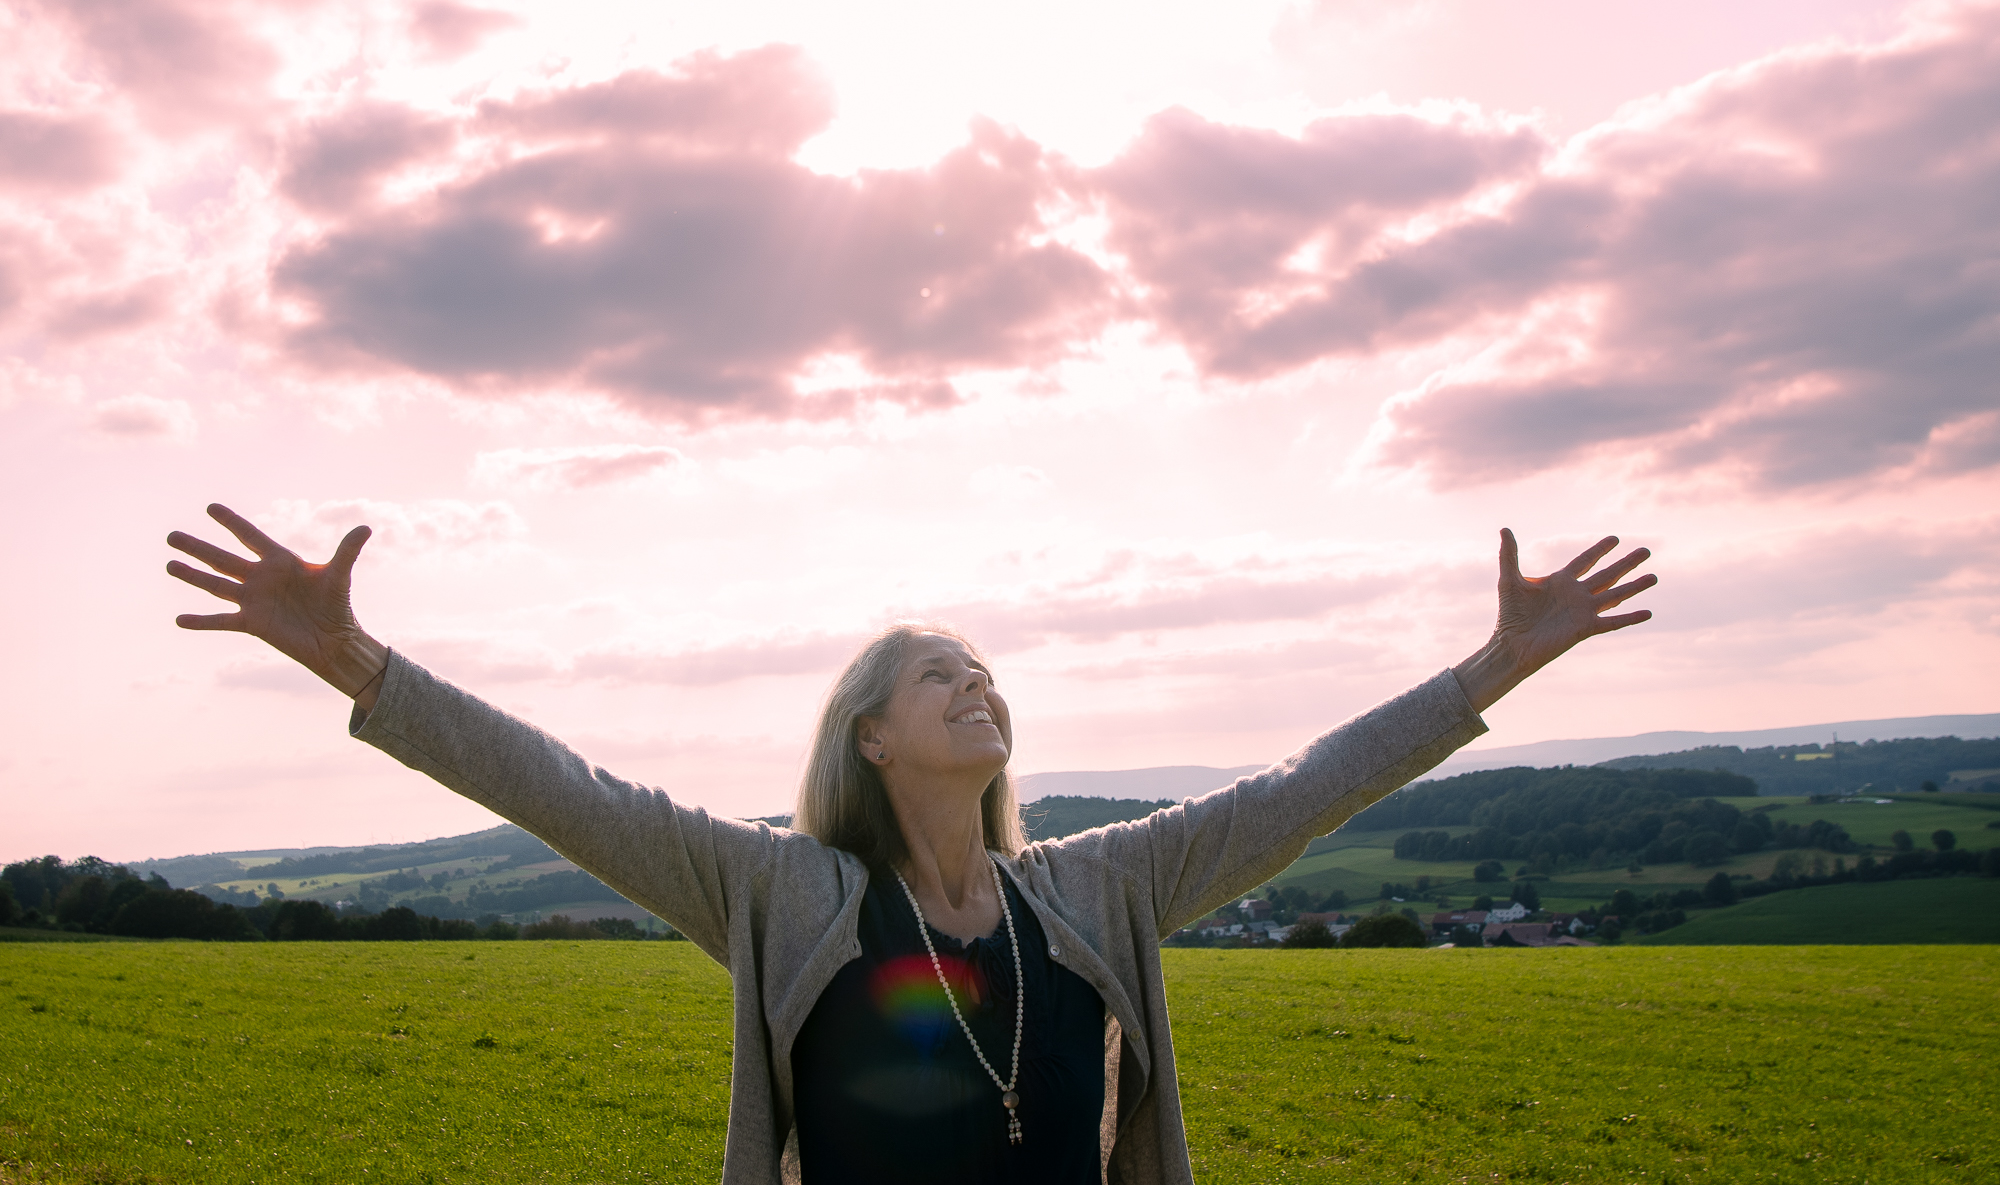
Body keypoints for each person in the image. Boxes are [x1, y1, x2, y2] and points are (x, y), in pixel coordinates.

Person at [165, 504, 1654, 1184]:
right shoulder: (784, 892)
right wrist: (362, 666)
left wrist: (1489, 674)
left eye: (987, 669)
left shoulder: (1096, 887)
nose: (978, 684)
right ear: (868, 736)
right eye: (939, 675)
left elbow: (1301, 789)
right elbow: (570, 791)